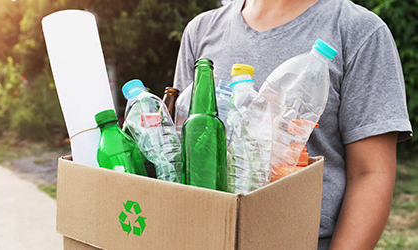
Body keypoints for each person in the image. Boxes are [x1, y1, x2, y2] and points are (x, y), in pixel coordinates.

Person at [172, 0, 413, 249]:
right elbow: (179, 152)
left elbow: (370, 173)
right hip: (206, 237)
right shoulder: (201, 30)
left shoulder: (358, 30)